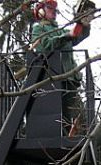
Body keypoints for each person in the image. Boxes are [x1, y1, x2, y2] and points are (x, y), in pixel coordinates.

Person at [31, 0, 92, 135]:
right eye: (50, 8)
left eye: (54, 8)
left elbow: (79, 35)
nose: (54, 11)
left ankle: (70, 137)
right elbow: (44, 46)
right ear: (40, 11)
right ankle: (64, 138)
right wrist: (66, 36)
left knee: (73, 115)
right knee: (59, 116)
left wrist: (84, 23)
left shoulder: (62, 31)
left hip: (70, 78)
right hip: (53, 78)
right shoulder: (38, 29)